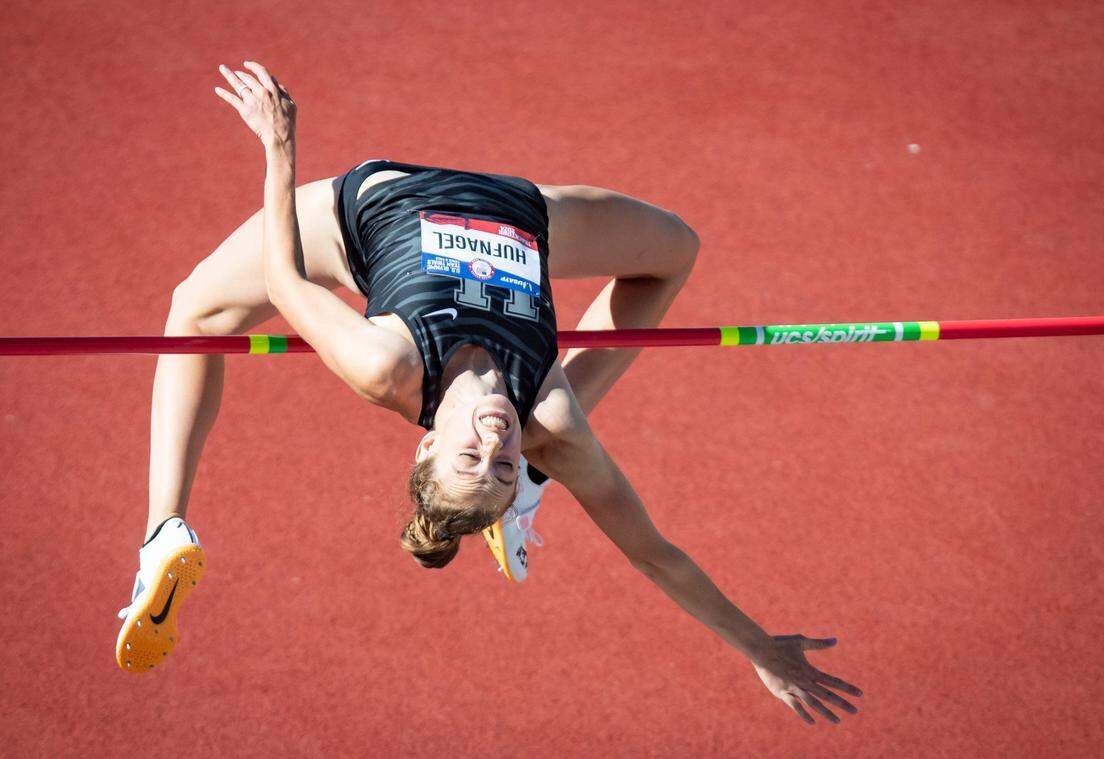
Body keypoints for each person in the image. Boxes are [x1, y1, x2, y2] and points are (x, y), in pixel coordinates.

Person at [115, 61, 861, 725]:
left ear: (428, 445)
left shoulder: (386, 365)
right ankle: (541, 480)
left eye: (472, 456)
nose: (495, 440)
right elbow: (653, 553)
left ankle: (163, 531)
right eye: (505, 464)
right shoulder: (547, 414)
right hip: (521, 213)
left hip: (366, 211)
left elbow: (286, 282)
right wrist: (759, 646)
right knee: (673, 253)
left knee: (195, 312)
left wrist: (278, 147)